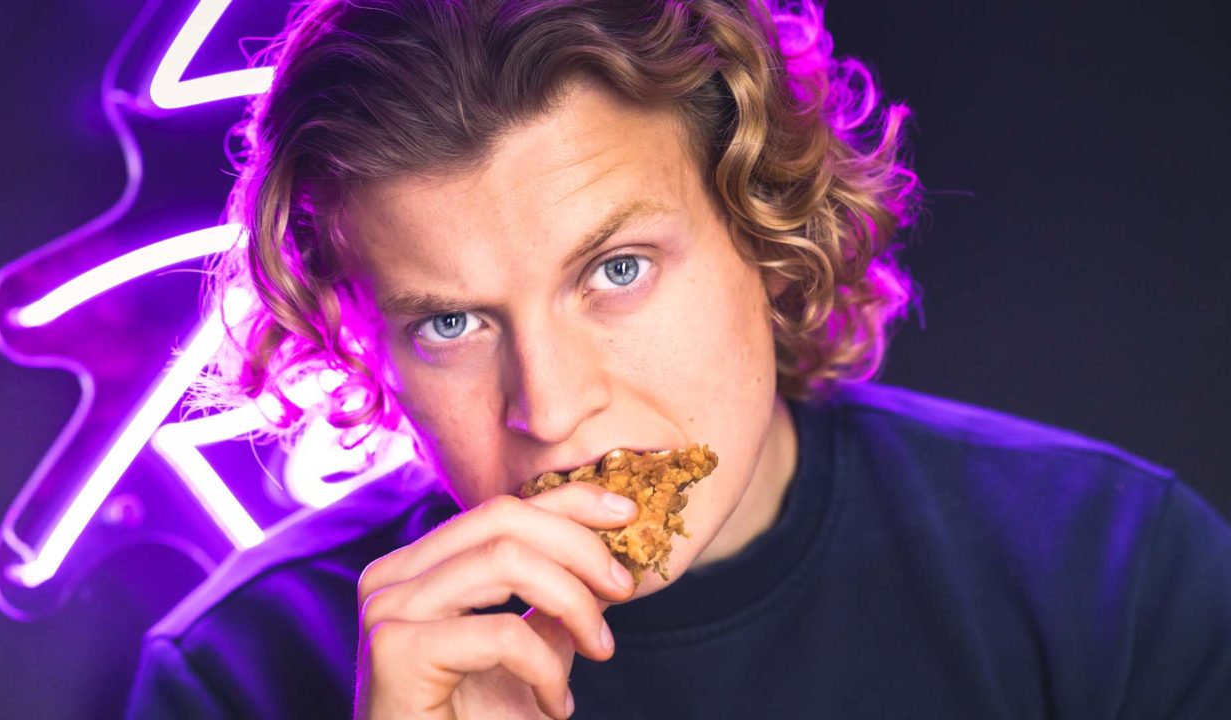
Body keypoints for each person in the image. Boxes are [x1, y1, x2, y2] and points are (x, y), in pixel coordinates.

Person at [125, 0, 1231, 717]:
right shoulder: (236, 678)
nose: (550, 411)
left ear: (766, 232)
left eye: (614, 270)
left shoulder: (1113, 575)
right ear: (371, 348)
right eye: (450, 326)